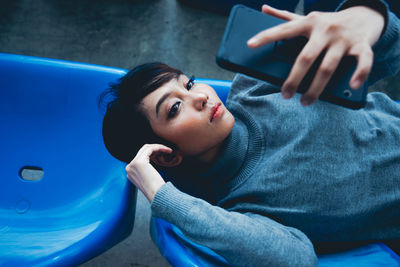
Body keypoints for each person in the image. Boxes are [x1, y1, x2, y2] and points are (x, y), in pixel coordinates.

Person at [99, 0, 400, 266]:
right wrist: (162, 198)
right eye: (175, 108)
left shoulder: (257, 83)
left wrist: (365, 17)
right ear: (167, 156)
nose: (200, 96)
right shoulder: (241, 210)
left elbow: (389, 51)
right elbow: (296, 260)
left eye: (188, 84)